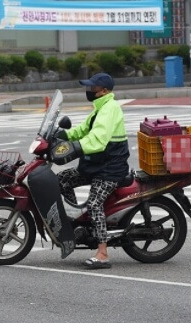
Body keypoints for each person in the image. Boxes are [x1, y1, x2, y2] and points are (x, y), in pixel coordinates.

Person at [55, 72, 130, 269]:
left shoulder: (109, 109)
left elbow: (97, 139)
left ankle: (103, 253)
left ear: (103, 91)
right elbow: (83, 130)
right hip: (97, 165)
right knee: (62, 179)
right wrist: (61, 135)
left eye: (92, 88)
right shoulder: (99, 108)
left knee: (95, 204)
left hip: (110, 168)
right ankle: (73, 223)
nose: (88, 91)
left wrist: (74, 148)